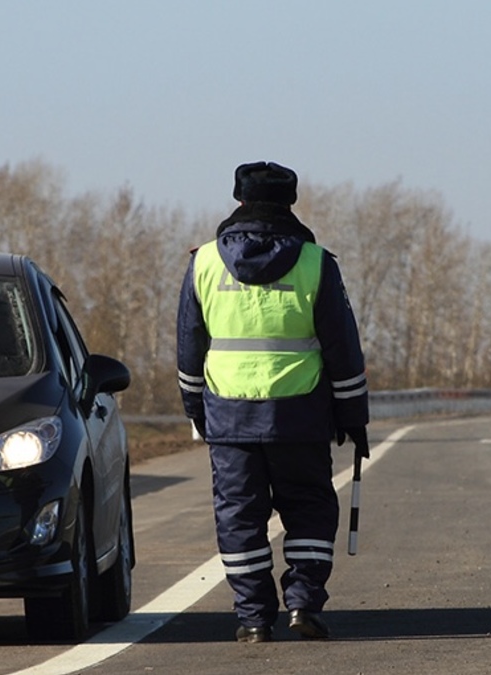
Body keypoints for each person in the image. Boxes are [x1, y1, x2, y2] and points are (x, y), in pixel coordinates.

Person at [176, 161, 370, 643]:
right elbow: (342, 348)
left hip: (229, 416)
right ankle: (303, 605)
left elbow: (189, 346)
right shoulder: (316, 263)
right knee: (307, 509)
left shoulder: (203, 263)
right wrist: (354, 415)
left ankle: (253, 619)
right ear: (291, 203)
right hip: (299, 415)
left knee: (240, 517)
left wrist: (195, 409)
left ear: (238, 201)